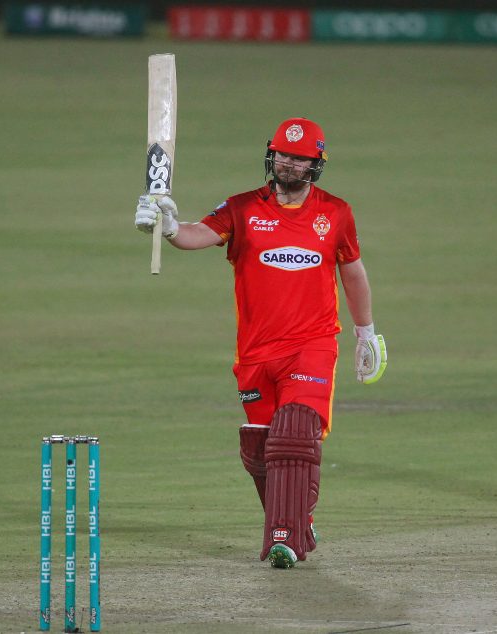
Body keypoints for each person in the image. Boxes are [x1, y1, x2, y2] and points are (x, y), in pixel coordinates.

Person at [135, 117, 387, 566]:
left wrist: (365, 332)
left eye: (300, 158)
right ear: (272, 155)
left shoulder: (336, 213)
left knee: (294, 432)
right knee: (262, 448)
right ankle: (298, 520)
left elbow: (352, 273)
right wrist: (169, 226)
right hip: (255, 354)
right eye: (284, 155)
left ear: (316, 164)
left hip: (311, 344)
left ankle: (283, 539)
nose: (289, 164)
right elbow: (198, 234)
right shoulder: (242, 208)